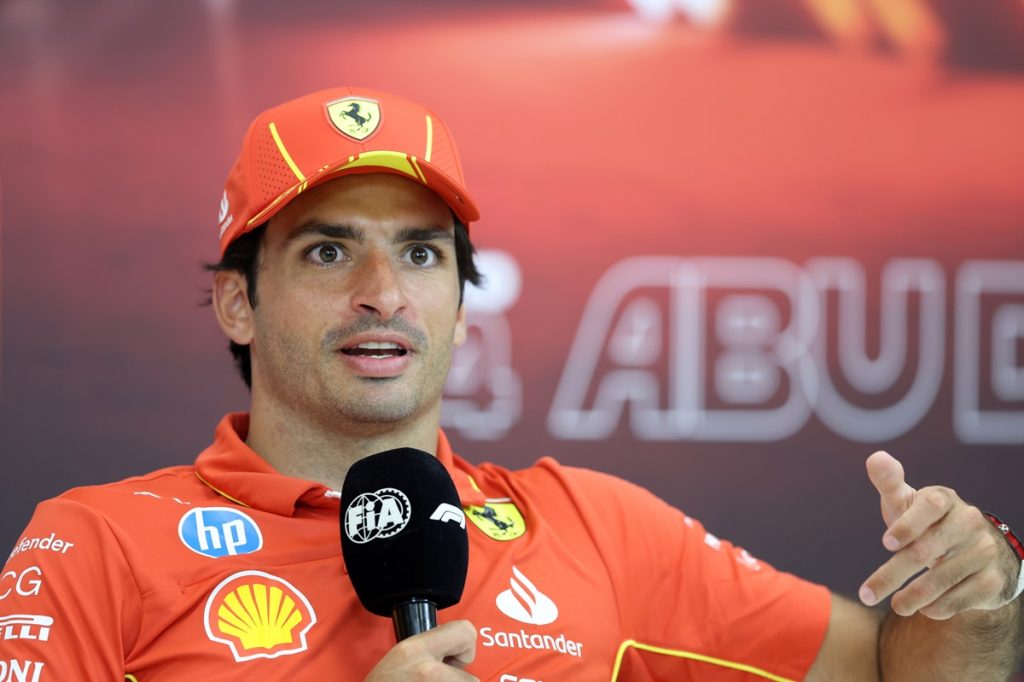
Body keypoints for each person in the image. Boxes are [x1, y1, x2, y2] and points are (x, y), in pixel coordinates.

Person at [1, 87, 1022, 681]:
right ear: (236, 303)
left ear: (457, 297)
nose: (380, 294)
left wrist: (981, 593)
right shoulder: (92, 546)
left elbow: (896, 671)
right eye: (325, 253)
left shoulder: (594, 527)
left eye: (420, 254)